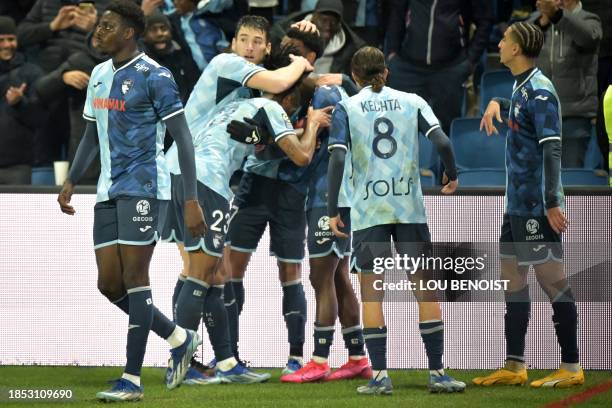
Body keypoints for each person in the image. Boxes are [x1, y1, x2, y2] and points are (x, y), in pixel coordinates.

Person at [56, 1, 206, 401]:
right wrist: (73, 178)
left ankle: (132, 380)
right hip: (107, 190)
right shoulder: (100, 75)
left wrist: (189, 199)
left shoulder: (156, 76)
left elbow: (184, 139)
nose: (98, 32)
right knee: (109, 284)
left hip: (144, 187)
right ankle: (178, 337)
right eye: (99, 26)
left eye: (107, 27)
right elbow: (92, 134)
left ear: (128, 33)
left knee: (137, 280)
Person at [162, 15, 316, 377]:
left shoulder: (244, 95)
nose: (248, 46)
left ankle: (227, 361)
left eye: (256, 41)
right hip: (200, 177)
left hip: (181, 170)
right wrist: (301, 65)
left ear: (266, 48)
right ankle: (180, 364)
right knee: (200, 273)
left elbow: (254, 134)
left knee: (213, 272)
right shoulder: (228, 65)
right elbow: (300, 152)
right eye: (242, 39)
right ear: (233, 43)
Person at [327, 46, 464, 395]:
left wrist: (334, 208)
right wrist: (450, 174)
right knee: (425, 290)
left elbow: (337, 161)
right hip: (408, 210)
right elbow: (444, 142)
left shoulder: (347, 106)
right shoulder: (412, 100)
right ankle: (438, 373)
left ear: (355, 77)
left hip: (370, 210)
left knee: (373, 295)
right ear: (385, 72)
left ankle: (380, 377)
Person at [473, 21, 583, 388]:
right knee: (513, 282)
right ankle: (515, 364)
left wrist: (552, 203)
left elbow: (551, 148)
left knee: (553, 283)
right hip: (516, 206)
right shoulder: (523, 88)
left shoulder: (540, 92)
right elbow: (521, 115)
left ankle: (570, 365)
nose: (500, 43)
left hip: (536, 206)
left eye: (504, 39)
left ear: (517, 48)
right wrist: (496, 101)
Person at [273, 29, 370, 384]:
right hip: (327, 197)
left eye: (295, 54)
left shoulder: (327, 93)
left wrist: (333, 205)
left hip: (330, 199)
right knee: (340, 277)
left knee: (321, 277)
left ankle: (319, 360)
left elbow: (342, 149)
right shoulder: (307, 96)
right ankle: (358, 357)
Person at [386, 0, 493, 134]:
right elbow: (396, 12)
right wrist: (392, 53)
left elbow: (485, 21)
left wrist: (470, 60)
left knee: (448, 131)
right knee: (399, 129)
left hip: (450, 69)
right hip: (407, 67)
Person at [530, 0, 602, 168]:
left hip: (575, 113)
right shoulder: (538, 19)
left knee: (571, 181)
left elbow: (588, 37)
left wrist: (557, 15)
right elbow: (517, 42)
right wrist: (542, 23)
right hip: (541, 113)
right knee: (540, 180)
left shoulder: (590, 20)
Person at [0, 16, 45, 185]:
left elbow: (40, 119)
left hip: (18, 166)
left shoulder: (31, 73)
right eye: (1, 40)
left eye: (11, 39)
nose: (6, 45)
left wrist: (20, 103)